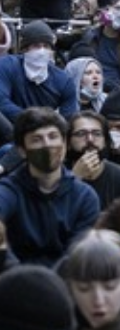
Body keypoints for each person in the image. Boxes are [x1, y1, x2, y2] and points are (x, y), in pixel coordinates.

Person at [0, 107, 100, 266]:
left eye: (53, 137)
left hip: (65, 283)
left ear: (65, 144)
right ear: (22, 150)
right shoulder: (9, 189)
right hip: (15, 282)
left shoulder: (84, 196)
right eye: (36, 139)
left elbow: (77, 256)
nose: (47, 145)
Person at [0, 21, 78, 137]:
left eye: (46, 46)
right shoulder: (7, 66)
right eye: (36, 46)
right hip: (11, 133)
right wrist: (36, 121)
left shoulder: (64, 80)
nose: (41, 51)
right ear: (25, 49)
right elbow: (2, 103)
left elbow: (68, 117)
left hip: (47, 137)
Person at [63, 111, 120, 209]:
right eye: (81, 134)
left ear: (105, 141)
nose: (90, 139)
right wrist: (75, 178)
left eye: (97, 134)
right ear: (68, 143)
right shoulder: (57, 175)